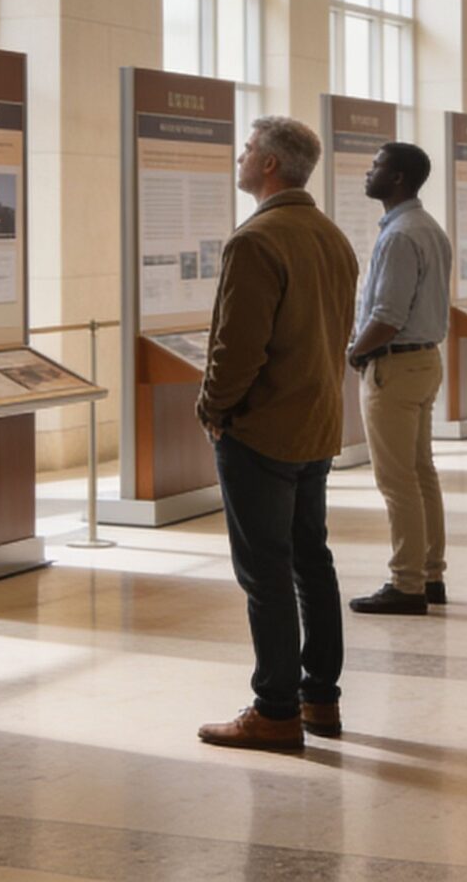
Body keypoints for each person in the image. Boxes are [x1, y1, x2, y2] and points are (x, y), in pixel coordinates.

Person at [195, 116, 361, 753]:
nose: (238, 157)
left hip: (261, 428)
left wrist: (215, 409)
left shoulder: (257, 240)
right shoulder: (330, 234)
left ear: (267, 164)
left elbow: (238, 349)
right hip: (316, 424)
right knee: (310, 561)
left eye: (245, 149)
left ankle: (274, 708)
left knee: (264, 572)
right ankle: (320, 697)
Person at [343, 142, 455, 616]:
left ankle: (406, 582)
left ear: (398, 179)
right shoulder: (426, 227)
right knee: (420, 471)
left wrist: (354, 351)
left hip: (395, 365)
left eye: (377, 166)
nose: (368, 172)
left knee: (397, 480)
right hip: (423, 361)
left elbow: (387, 315)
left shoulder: (399, 235)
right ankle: (429, 574)